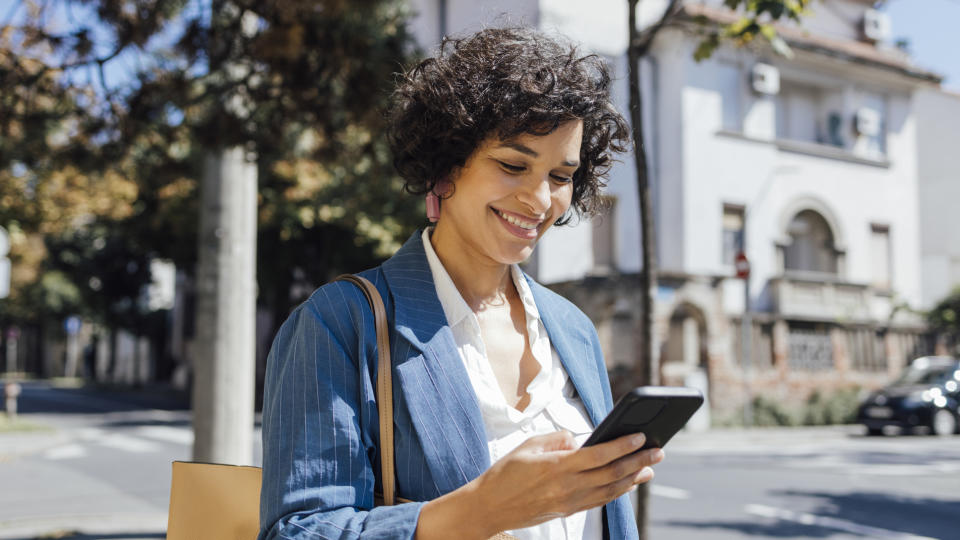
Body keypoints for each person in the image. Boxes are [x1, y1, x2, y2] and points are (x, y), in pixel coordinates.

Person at [258, 27, 663, 540]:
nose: (541, 201)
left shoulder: (573, 329)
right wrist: (482, 511)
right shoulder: (340, 323)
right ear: (447, 166)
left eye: (561, 177)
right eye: (513, 165)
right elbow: (297, 531)